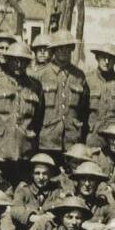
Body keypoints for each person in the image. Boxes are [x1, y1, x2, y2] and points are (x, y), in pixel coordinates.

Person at [30, 30, 88, 164]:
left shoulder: (79, 76)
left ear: (72, 49)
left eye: (67, 47)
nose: (64, 51)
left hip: (71, 139)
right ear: (54, 50)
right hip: (47, 139)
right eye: (60, 48)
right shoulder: (40, 75)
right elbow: (34, 111)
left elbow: (83, 109)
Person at [0, 39, 43, 162]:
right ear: (8, 60)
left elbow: (38, 118)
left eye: (23, 61)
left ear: (28, 63)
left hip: (25, 147)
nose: (18, 64)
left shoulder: (35, 86)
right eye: (14, 60)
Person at [85, 45, 115, 149]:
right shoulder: (88, 80)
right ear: (97, 58)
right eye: (103, 57)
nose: (106, 61)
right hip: (93, 138)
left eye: (110, 59)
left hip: (114, 140)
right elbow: (82, 111)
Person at [9, 153, 67, 230]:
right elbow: (15, 209)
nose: (41, 177)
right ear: (32, 174)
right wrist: (35, 218)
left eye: (45, 173)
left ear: (50, 175)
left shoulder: (56, 191)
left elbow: (63, 209)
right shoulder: (24, 190)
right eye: (37, 173)